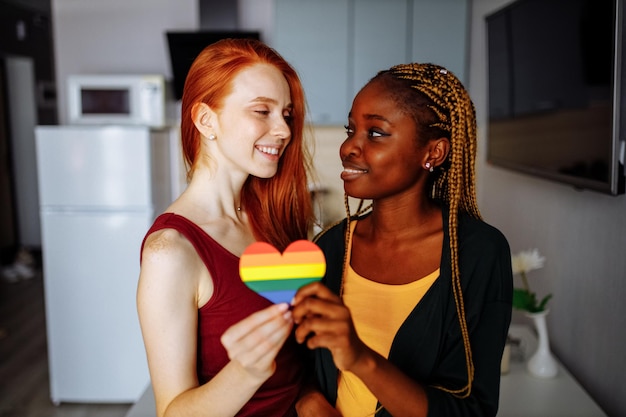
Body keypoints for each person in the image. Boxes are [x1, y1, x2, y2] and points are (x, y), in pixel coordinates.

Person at [292, 63, 513, 417]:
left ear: (433, 153)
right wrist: (308, 398)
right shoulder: (330, 247)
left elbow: (472, 410)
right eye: (352, 129)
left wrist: (360, 357)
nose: (349, 146)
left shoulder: (477, 254)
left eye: (376, 133)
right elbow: (299, 361)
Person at [136, 38, 315, 417]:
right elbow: (173, 411)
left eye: (286, 113)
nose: (283, 129)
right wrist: (246, 371)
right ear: (205, 120)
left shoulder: (272, 218)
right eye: (262, 111)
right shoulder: (171, 251)